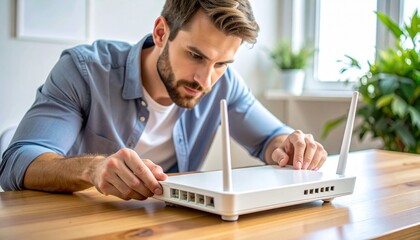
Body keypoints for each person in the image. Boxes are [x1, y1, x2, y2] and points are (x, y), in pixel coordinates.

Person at [0, 0, 327, 200]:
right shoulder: (84, 71)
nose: (206, 79)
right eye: (196, 55)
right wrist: (93, 168)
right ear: (160, 32)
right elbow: (17, 161)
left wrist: (292, 146)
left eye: (222, 64)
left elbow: (272, 138)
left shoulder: (223, 83)